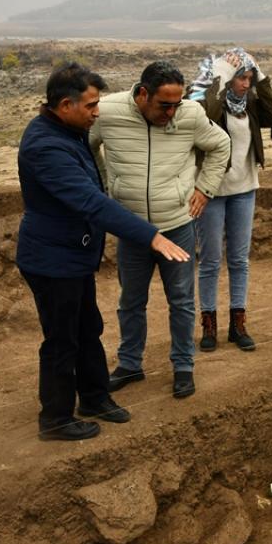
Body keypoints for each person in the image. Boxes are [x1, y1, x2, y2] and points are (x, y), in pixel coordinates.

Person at [16, 62, 191, 441]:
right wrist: (151, 236)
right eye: (91, 105)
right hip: (51, 259)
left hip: (72, 256)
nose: (98, 112)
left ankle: (94, 397)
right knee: (62, 339)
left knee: (87, 328)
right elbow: (91, 202)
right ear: (66, 105)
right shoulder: (45, 146)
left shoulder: (68, 130)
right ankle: (56, 419)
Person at [91, 61, 230, 399]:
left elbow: (220, 144)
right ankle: (129, 363)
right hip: (132, 228)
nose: (171, 112)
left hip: (177, 226)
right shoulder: (108, 112)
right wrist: (105, 185)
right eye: (164, 105)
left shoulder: (190, 114)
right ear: (142, 94)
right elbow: (87, 145)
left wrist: (205, 189)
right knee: (130, 301)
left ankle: (183, 365)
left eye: (176, 104)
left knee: (181, 301)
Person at [194, 48, 272, 353]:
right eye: (241, 77)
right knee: (210, 260)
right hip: (212, 191)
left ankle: (238, 324)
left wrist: (262, 76)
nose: (246, 83)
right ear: (228, 78)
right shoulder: (212, 103)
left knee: (239, 260)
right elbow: (206, 115)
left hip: (245, 189)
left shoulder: (251, 104)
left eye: (249, 78)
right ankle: (209, 324)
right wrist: (219, 76)